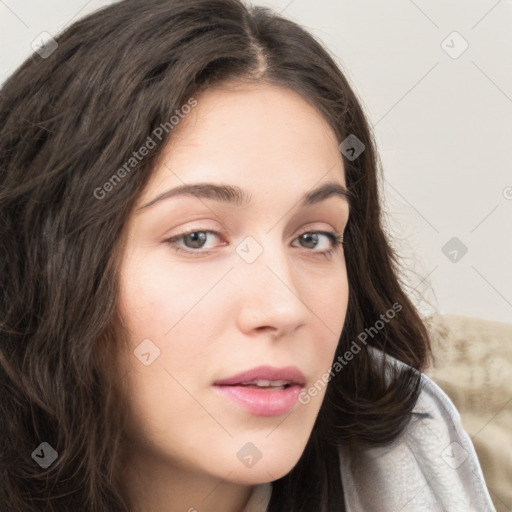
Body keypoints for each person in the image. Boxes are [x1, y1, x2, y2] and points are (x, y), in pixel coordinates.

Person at [0, 1, 495, 511]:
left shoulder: (427, 466)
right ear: (42, 266)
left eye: (314, 238)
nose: (284, 310)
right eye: (197, 237)